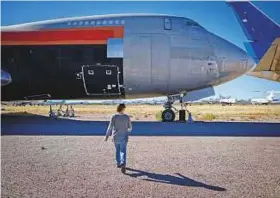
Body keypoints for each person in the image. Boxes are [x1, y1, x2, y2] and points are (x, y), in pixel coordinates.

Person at [105, 103, 132, 173]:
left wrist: (107, 136)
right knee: (123, 150)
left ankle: (118, 163)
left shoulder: (114, 116)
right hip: (124, 137)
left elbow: (110, 127)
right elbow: (130, 128)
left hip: (116, 137)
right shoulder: (127, 117)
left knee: (117, 150)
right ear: (123, 108)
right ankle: (123, 162)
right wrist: (126, 129)